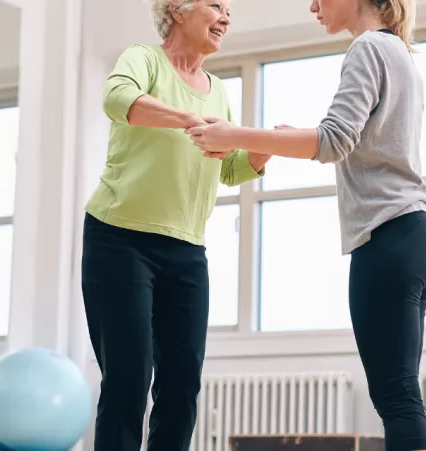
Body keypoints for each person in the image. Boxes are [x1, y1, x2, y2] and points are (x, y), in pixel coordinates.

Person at [186, 0, 426, 450]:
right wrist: (284, 138)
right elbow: (361, 139)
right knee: (401, 394)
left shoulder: (367, 48)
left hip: (388, 237)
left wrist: (235, 135)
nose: (312, 6)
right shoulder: (400, 52)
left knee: (396, 399)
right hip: (419, 236)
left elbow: (332, 141)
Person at [80, 0, 269, 450]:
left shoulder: (218, 90)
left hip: (186, 251)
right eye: (216, 5)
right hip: (120, 238)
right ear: (178, 10)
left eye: (229, 10)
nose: (226, 16)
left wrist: (261, 151)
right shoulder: (143, 59)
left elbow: (226, 169)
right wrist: (186, 118)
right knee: (128, 379)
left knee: (182, 386)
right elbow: (117, 99)